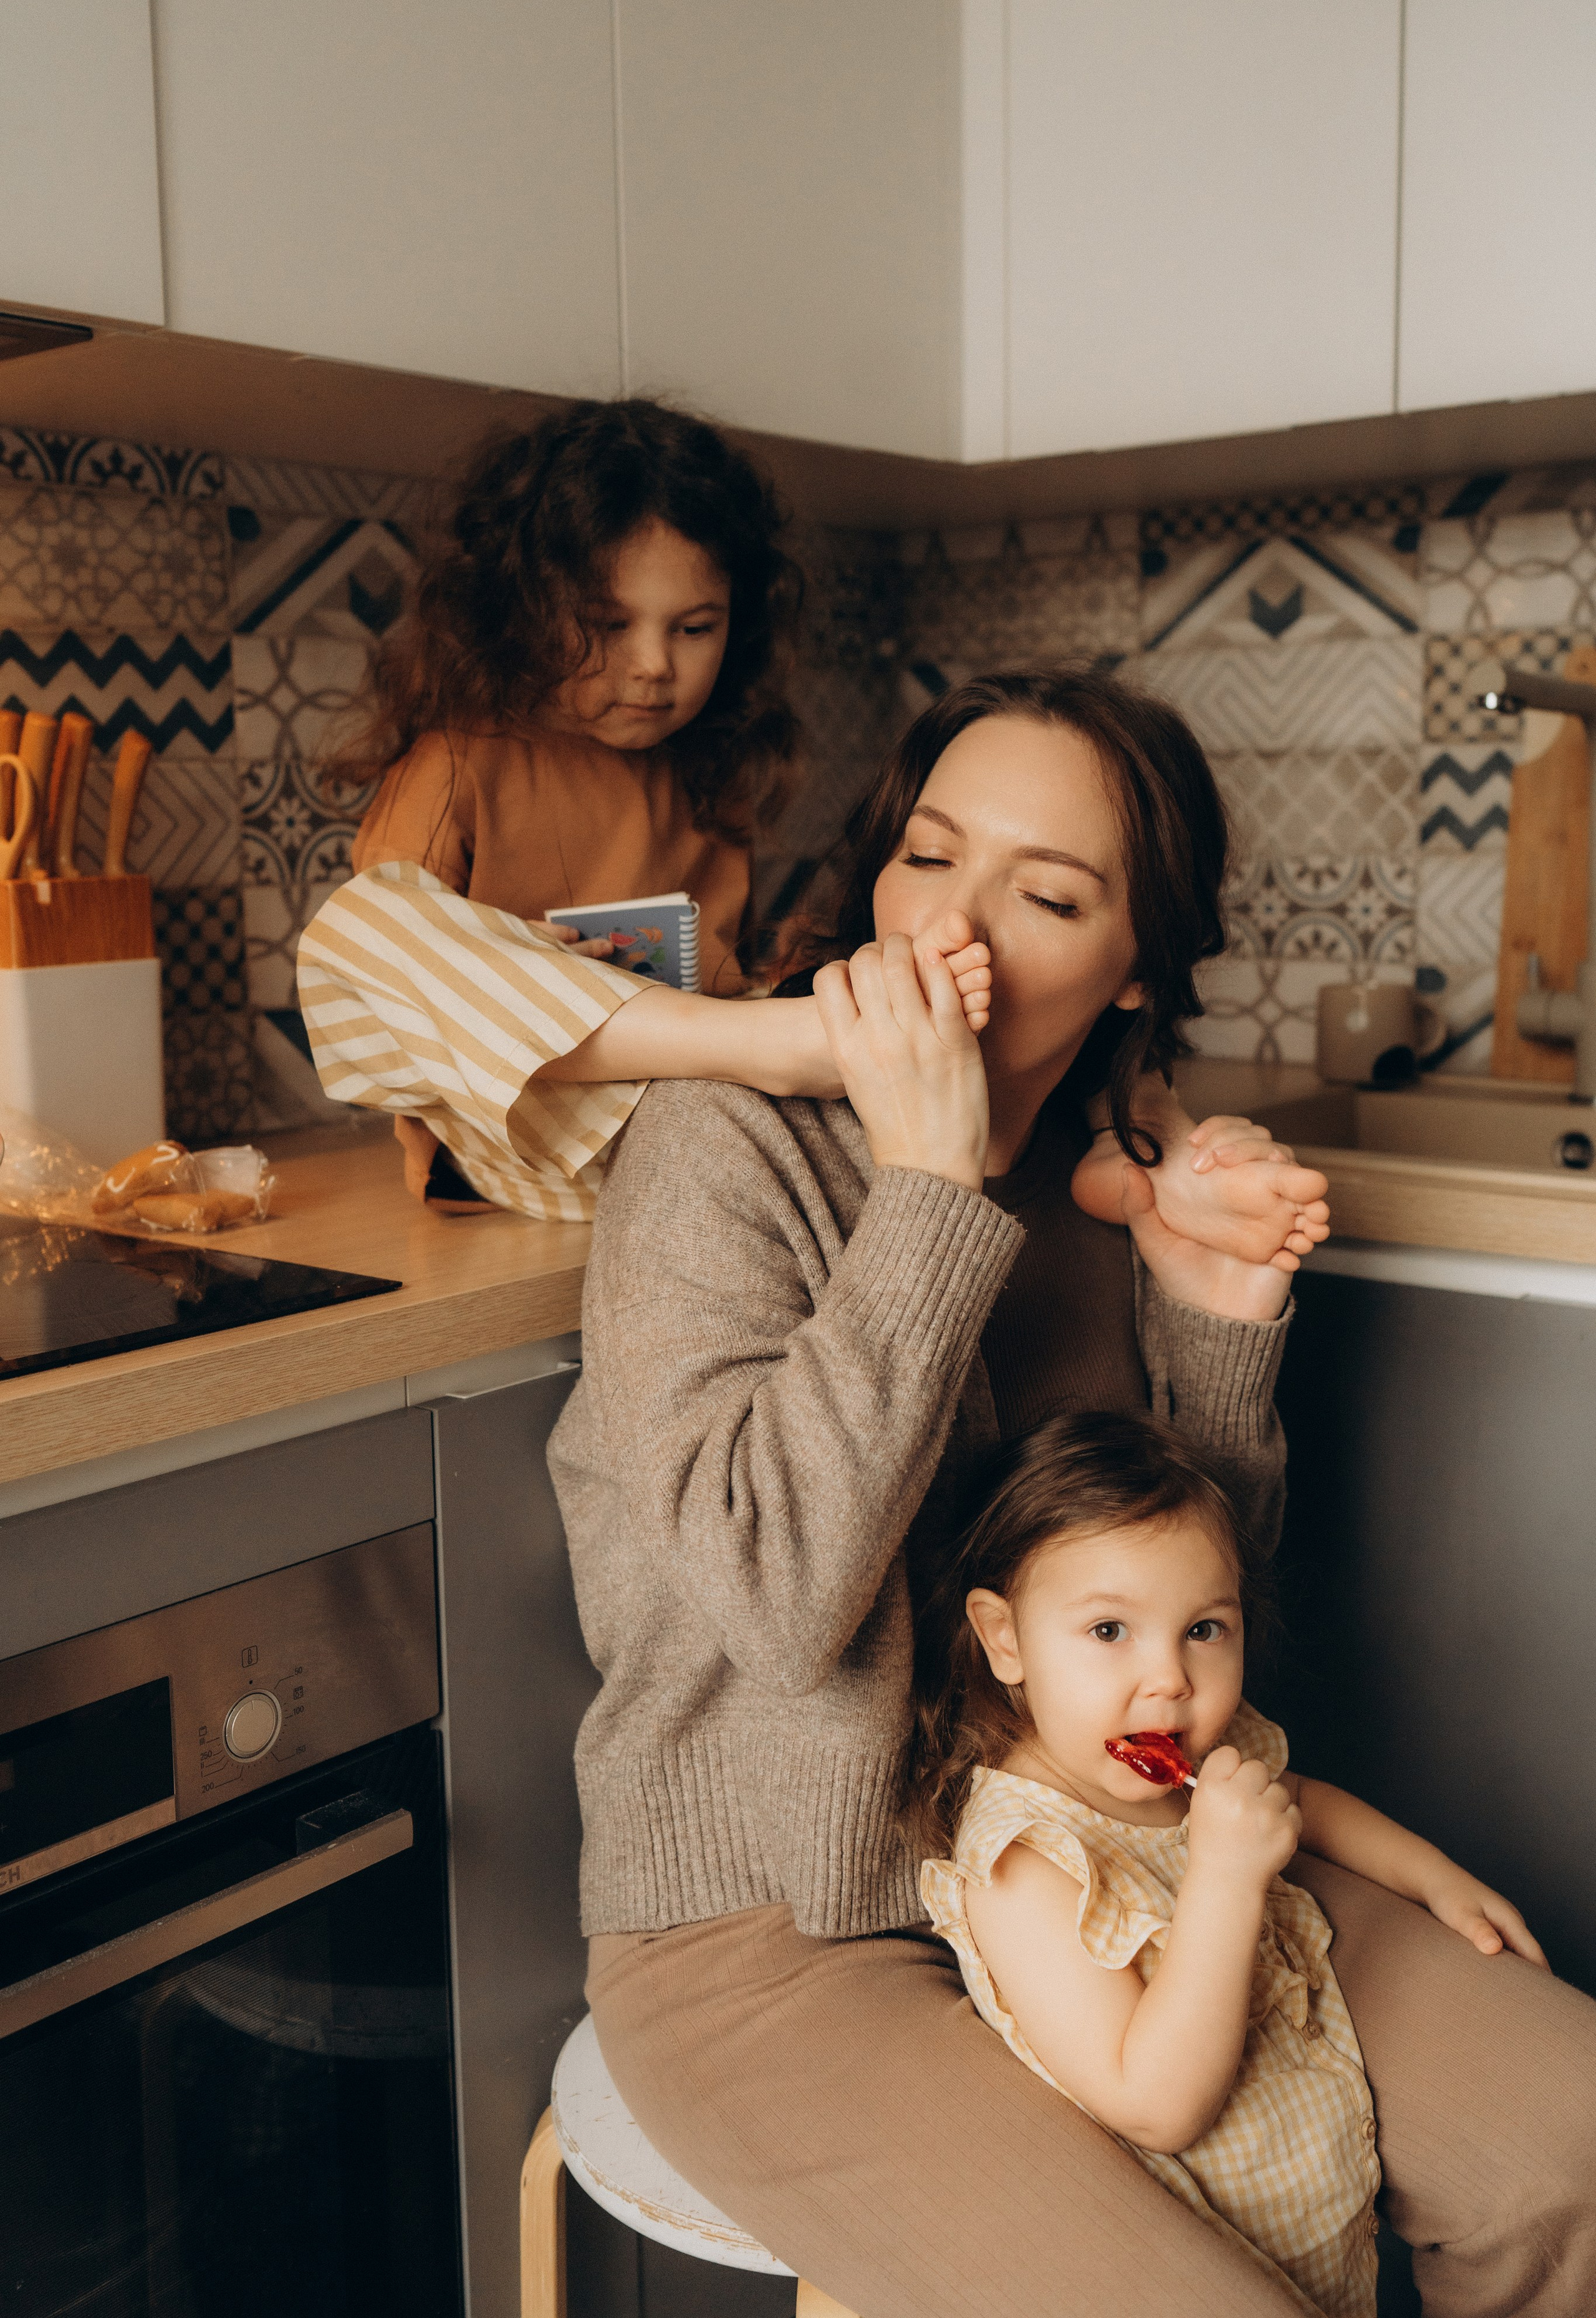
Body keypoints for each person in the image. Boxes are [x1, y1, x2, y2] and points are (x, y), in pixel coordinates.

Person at [541, 665, 1596, 2318]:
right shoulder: (722, 1144)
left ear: (1134, 974)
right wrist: (924, 1186)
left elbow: (1187, 1618)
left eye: (1045, 895)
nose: (953, 928)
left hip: (1132, 1841)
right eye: (926, 857)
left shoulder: (1114, 1162)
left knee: (1572, 2145)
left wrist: (1216, 1325)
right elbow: (779, 1598)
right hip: (785, 1932)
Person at [916, 1409, 1549, 2318]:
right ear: (1005, 1639)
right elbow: (1155, 2104)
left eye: (1205, 1629)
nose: (1169, 1678)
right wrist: (1223, 1876)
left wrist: (1435, 1878)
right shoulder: (1025, 1865)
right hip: (1214, 2247)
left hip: (1326, 2215)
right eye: (1108, 1632)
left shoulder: (1186, 1755)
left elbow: (1299, 1800)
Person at [327, 397, 804, 1205]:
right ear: (523, 609)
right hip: (501, 1157)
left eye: (694, 628)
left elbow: (716, 974)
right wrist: (521, 970)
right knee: (370, 928)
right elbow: (381, 980)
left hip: (685, 1146)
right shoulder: (458, 763)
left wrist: (773, 982)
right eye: (608, 624)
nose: (654, 664)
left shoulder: (713, 768)